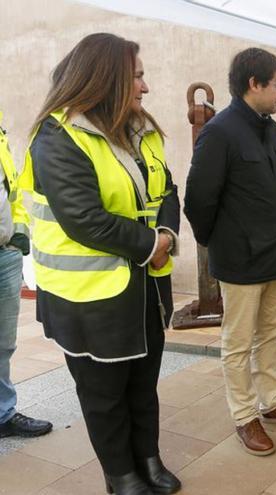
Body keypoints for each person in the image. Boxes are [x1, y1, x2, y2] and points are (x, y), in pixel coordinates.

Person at [23, 33, 181, 494]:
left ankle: (148, 459)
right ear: (106, 78)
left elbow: (166, 189)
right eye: (137, 76)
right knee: (104, 393)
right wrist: (152, 244)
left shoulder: (140, 129)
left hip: (143, 288)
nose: (145, 87)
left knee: (143, 382)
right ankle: (121, 474)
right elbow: (84, 219)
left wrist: (167, 233)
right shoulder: (57, 137)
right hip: (88, 298)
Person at [184, 48, 276, 457]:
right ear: (253, 84)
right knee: (239, 342)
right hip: (241, 260)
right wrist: (220, 242)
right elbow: (198, 201)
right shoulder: (220, 131)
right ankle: (245, 416)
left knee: (269, 335)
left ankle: (273, 402)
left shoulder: (271, 129)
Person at [0, 112, 53, 441]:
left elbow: (12, 191)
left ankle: (3, 414)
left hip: (4, 254)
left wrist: (18, 236)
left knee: (3, 345)